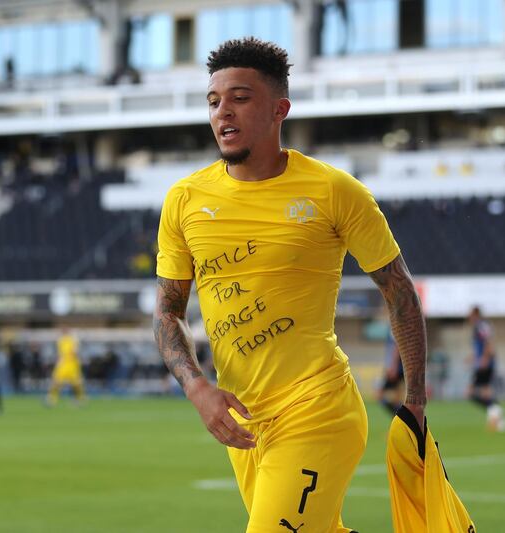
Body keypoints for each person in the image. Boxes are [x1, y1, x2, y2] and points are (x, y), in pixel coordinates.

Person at [153, 37, 472, 533]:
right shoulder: (184, 200)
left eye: (240, 97)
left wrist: (415, 400)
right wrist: (197, 388)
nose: (223, 113)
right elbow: (168, 310)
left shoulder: (333, 191)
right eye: (214, 101)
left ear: (280, 108)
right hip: (246, 425)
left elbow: (400, 291)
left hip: (319, 409)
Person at [467, 305, 505, 432]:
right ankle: (497, 419)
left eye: (470, 314)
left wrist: (484, 358)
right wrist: (473, 357)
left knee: (470, 393)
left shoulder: (481, 325)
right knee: (485, 392)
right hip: (484, 362)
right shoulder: (482, 325)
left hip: (484, 364)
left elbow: (488, 342)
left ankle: (495, 409)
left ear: (475, 314)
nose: (469, 317)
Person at [45, 328, 86, 407]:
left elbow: (75, 351)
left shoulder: (73, 340)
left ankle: (80, 398)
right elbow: (60, 353)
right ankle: (52, 399)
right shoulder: (61, 341)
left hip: (72, 365)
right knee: (56, 382)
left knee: (76, 383)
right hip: (63, 365)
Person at [376, 329, 404, 415]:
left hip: (396, 369)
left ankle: (399, 415)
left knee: (379, 394)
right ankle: (399, 416)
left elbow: (396, 347)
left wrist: (393, 367)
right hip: (398, 368)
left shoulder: (395, 328)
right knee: (397, 397)